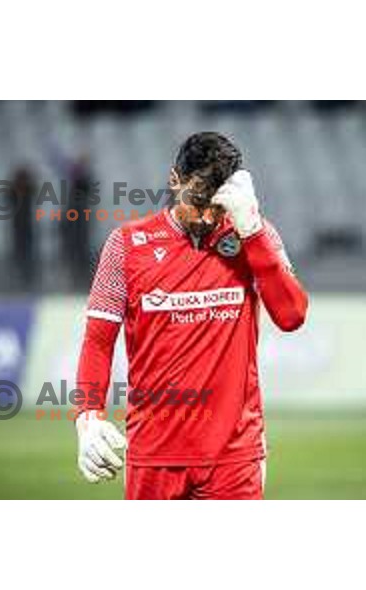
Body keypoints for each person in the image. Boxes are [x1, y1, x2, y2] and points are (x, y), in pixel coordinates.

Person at [75, 132, 309, 499]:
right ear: (174, 180)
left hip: (234, 459)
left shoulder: (254, 236)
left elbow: (292, 315)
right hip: (153, 457)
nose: (206, 217)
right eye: (197, 200)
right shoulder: (125, 245)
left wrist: (253, 232)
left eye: (217, 205)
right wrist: (88, 416)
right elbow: (98, 340)